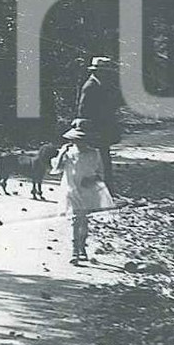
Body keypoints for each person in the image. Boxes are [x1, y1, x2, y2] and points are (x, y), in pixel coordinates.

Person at [52, 118, 114, 265]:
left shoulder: (95, 153)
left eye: (83, 140)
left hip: (87, 190)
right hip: (71, 189)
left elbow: (101, 173)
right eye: (76, 140)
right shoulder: (68, 153)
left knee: (84, 220)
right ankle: (74, 250)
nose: (80, 143)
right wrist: (61, 153)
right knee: (76, 219)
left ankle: (82, 248)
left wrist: (92, 179)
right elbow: (57, 169)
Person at [76, 55, 121, 194]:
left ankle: (106, 187)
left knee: (104, 158)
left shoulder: (102, 84)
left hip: (103, 127)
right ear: (96, 71)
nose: (107, 74)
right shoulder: (90, 86)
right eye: (104, 71)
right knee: (96, 159)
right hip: (94, 128)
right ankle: (99, 189)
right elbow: (83, 109)